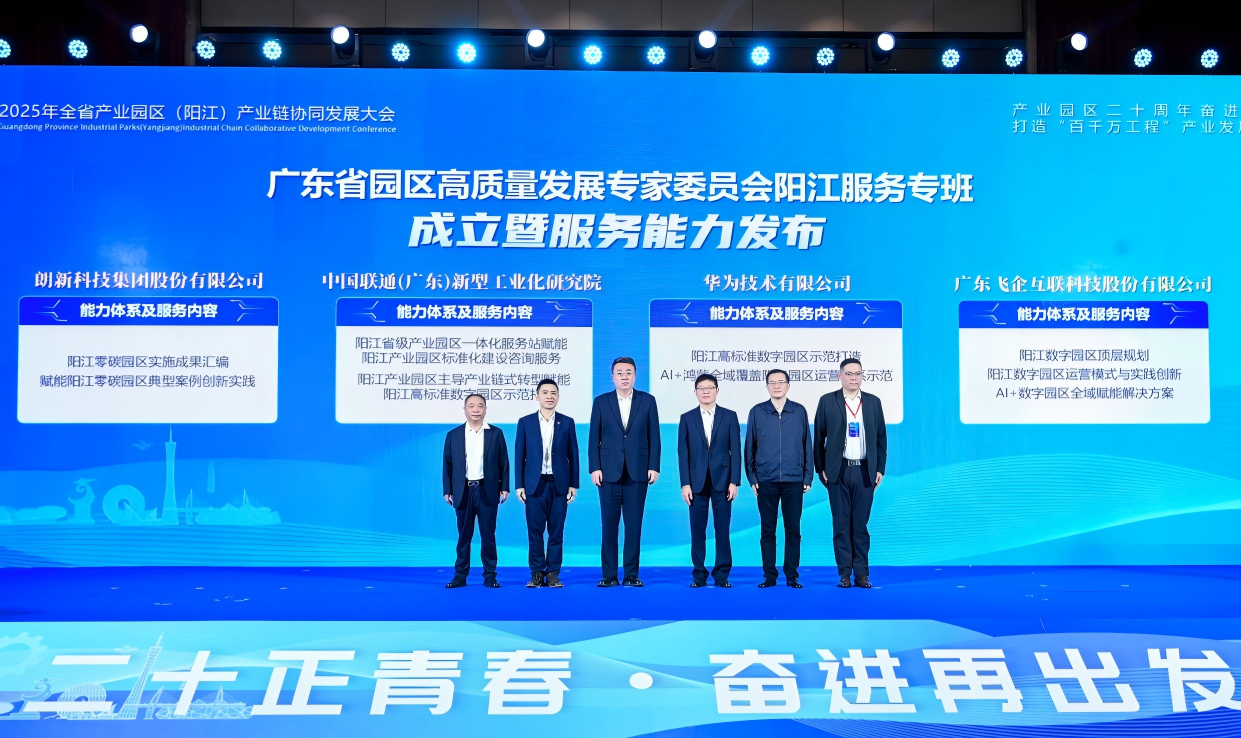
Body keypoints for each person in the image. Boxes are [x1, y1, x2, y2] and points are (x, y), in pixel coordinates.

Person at [814, 358, 887, 589]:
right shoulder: (828, 401)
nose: (853, 378)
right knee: (841, 525)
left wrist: (879, 468)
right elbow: (818, 439)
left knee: (860, 526)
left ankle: (862, 574)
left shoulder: (873, 402)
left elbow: (881, 439)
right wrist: (821, 468)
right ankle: (844, 573)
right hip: (838, 470)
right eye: (849, 373)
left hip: (865, 470)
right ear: (840, 376)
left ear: (862, 376)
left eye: (857, 374)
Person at [588, 357, 661, 587]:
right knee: (609, 526)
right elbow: (594, 438)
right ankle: (609, 576)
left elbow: (654, 436)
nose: (624, 377)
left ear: (635, 376)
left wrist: (654, 466)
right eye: (619, 373)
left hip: (638, 472)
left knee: (633, 526)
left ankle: (631, 575)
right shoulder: (601, 402)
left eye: (628, 372)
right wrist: (594, 467)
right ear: (612, 377)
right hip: (608, 473)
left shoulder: (647, 401)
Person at [744, 368, 813, 588]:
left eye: (780, 382)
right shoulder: (757, 412)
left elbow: (807, 445)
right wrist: (752, 477)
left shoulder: (799, 411)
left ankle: (792, 575)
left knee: (793, 529)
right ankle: (769, 576)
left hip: (794, 480)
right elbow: (749, 447)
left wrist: (807, 476)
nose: (776, 386)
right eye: (772, 382)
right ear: (766, 386)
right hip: (766, 480)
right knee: (768, 530)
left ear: (788, 386)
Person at [514, 378, 580, 588]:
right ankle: (536, 572)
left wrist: (573, 484)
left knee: (556, 532)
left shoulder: (567, 422)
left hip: (559, 484)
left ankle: (552, 572)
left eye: (553, 393)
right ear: (537, 396)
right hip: (534, 485)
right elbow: (519, 456)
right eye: (545, 392)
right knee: (534, 532)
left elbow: (574, 455)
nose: (549, 396)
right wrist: (519, 484)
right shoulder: (525, 422)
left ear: (558, 397)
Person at [677, 374, 741, 588]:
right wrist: (685, 484)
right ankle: (699, 575)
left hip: (723, 482)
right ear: (695, 392)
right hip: (696, 484)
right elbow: (683, 453)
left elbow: (736, 451)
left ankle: (722, 575)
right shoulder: (687, 418)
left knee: (722, 530)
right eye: (701, 388)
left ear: (717, 390)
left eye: (710, 387)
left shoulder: (729, 416)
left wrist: (734, 481)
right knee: (697, 530)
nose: (706, 391)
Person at [442, 393, 509, 588]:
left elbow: (504, 463)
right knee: (463, 537)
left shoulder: (496, 433)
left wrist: (504, 487)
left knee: (488, 536)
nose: (476, 410)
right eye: (471, 406)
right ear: (465, 409)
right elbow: (447, 464)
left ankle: (490, 576)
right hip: (463, 491)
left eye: (480, 406)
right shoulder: (453, 435)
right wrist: (448, 489)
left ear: (485, 409)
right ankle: (460, 576)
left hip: (487, 490)